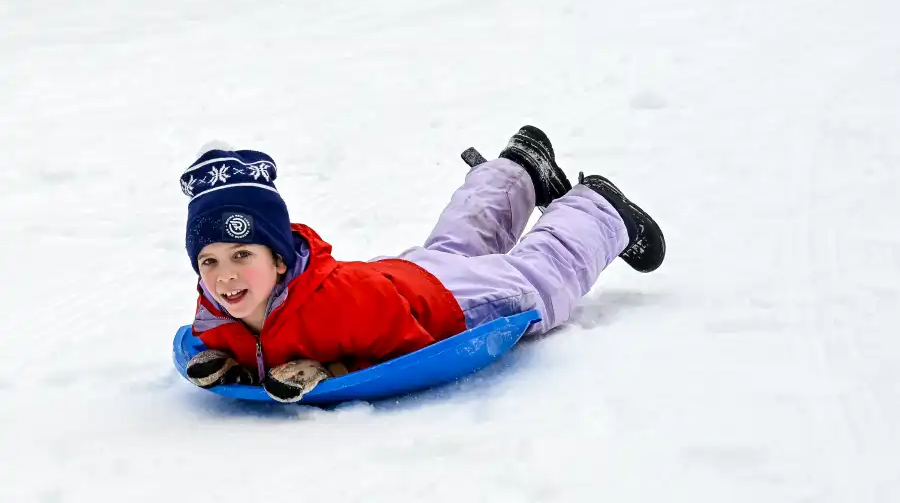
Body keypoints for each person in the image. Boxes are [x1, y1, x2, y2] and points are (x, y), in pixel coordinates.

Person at [182, 126, 666, 402]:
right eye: (209, 261)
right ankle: (516, 169)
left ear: (282, 262)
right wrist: (233, 365)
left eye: (242, 255)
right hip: (403, 273)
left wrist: (333, 368)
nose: (225, 277)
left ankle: (597, 210)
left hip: (445, 304)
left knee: (537, 281)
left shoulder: (339, 305)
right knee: (454, 247)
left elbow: (409, 345)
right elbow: (244, 343)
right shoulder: (217, 313)